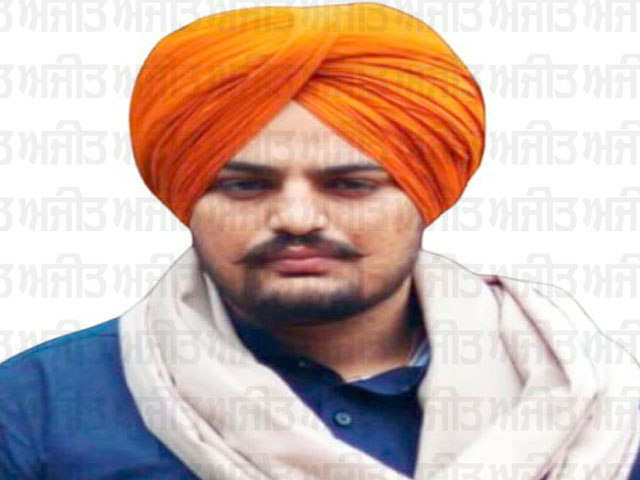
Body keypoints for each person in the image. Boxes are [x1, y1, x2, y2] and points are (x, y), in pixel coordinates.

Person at [1, 3, 639, 479]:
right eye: (245, 187)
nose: (297, 218)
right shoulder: (40, 405)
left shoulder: (593, 398)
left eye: (351, 185)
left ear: (425, 195)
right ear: (187, 196)